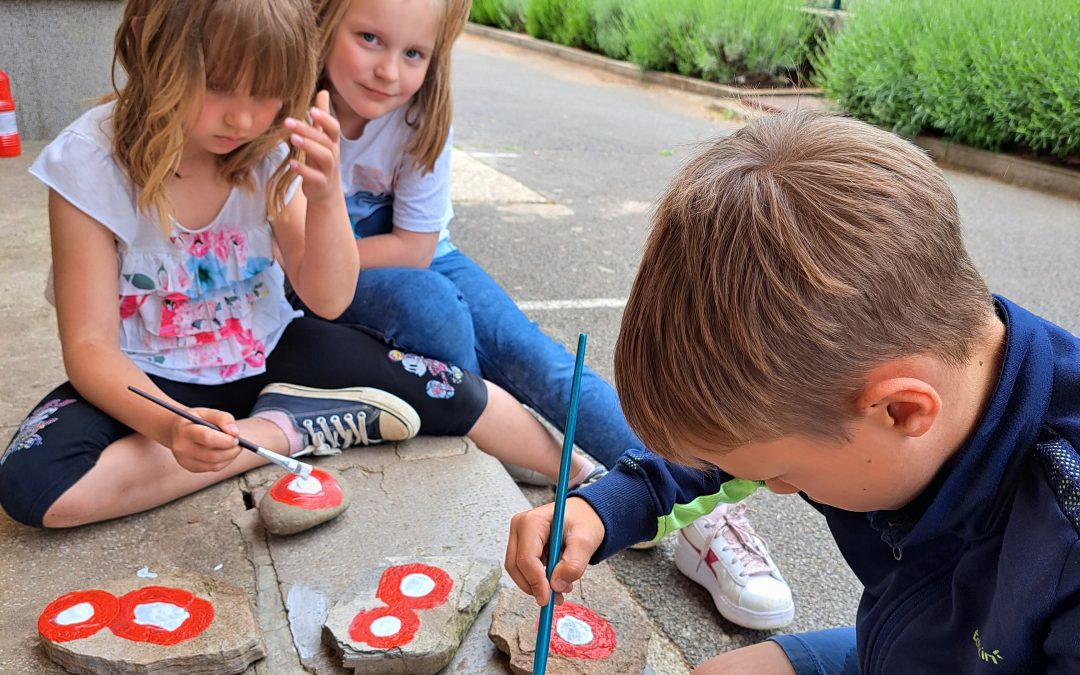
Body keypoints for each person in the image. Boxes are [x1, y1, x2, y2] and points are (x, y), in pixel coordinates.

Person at [504, 111, 1080, 673]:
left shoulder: (1064, 530)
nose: (772, 488)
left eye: (787, 475)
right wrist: (603, 509)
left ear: (903, 409)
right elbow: (728, 457)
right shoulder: (887, 369)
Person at [0, 0, 598, 529]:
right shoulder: (87, 162)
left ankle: (584, 479)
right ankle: (286, 430)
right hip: (150, 373)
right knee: (31, 481)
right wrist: (172, 427)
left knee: (449, 390)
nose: (243, 118)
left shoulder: (267, 147)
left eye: (266, 94)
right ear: (156, 51)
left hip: (272, 348)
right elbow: (89, 348)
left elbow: (328, 298)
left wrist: (325, 196)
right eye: (219, 86)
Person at [291, 0, 794, 628]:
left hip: (409, 253)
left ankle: (703, 504)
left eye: (414, 53)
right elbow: (300, 264)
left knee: (536, 358)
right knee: (440, 315)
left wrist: (332, 253)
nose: (388, 70)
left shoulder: (422, 115)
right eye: (368, 38)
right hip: (328, 273)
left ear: (436, 55)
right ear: (323, 21)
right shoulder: (287, 103)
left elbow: (417, 246)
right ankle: (531, 450)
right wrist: (326, 259)